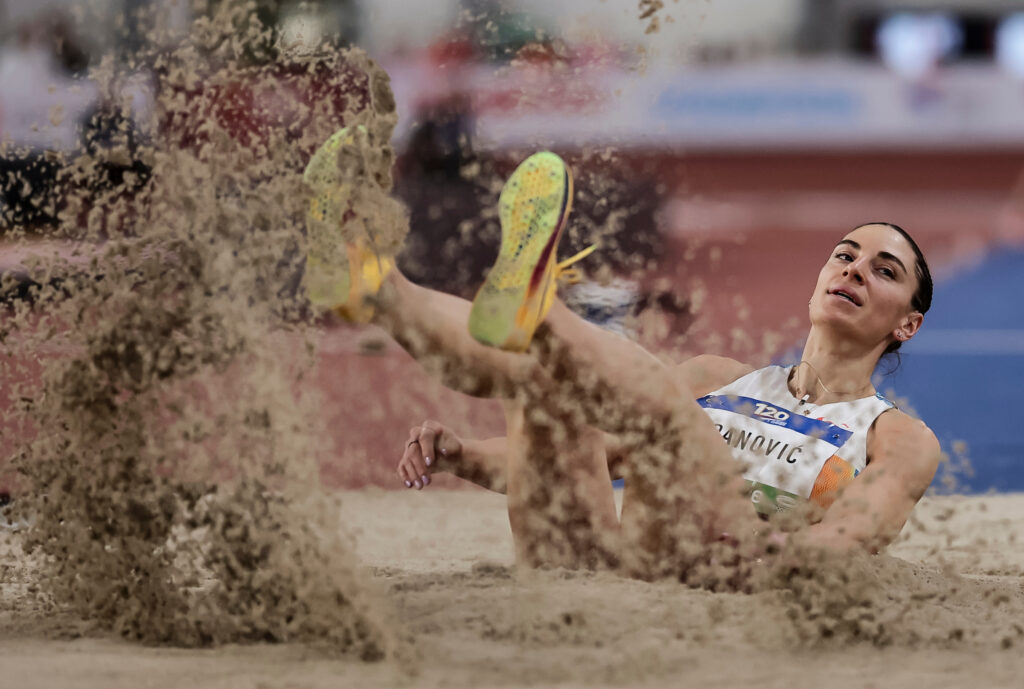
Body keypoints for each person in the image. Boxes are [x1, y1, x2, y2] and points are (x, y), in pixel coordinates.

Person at [305, 127, 941, 582]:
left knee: (667, 411)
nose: (855, 270)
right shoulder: (723, 378)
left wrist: (774, 556)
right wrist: (461, 457)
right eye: (844, 255)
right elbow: (579, 456)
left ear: (908, 324)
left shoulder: (898, 437)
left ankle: (538, 313)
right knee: (548, 389)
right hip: (604, 579)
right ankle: (377, 288)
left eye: (883, 271)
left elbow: (853, 538)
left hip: (733, 587)